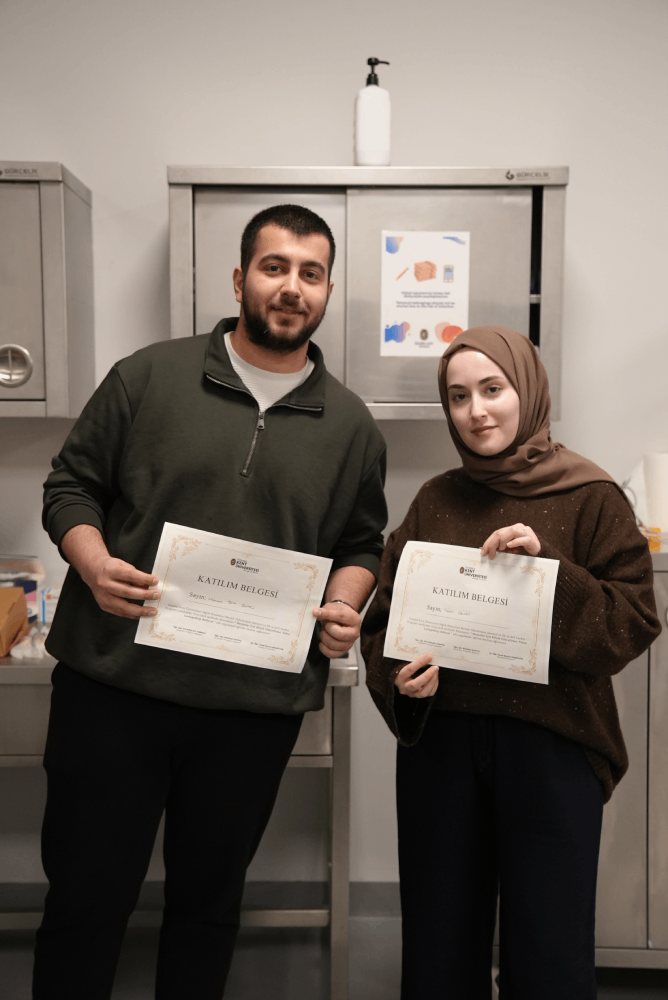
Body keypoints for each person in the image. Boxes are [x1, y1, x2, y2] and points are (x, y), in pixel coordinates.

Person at [36, 204, 387, 999]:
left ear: (328, 291)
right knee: (86, 901)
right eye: (274, 267)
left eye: (310, 273)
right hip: (113, 690)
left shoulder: (352, 427)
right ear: (239, 279)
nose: (291, 287)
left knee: (208, 907)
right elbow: (70, 486)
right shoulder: (146, 376)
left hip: (249, 710)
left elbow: (362, 544)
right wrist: (93, 564)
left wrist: (344, 605)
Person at [361, 326, 660, 1000]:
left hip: (554, 750)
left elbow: (633, 621)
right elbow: (384, 621)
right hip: (443, 748)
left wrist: (548, 574)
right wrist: (400, 678)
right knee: (439, 946)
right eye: (459, 396)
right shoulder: (435, 500)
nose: (477, 411)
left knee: (550, 952)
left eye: (492, 389)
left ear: (527, 389)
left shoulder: (592, 496)